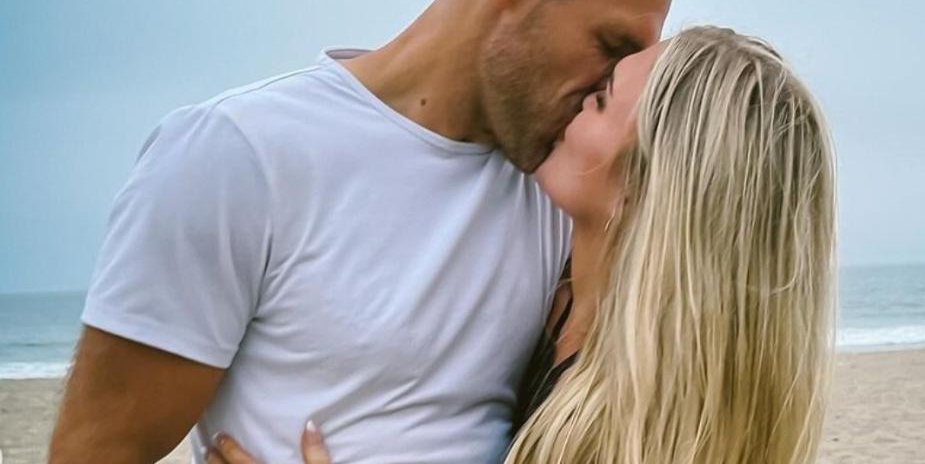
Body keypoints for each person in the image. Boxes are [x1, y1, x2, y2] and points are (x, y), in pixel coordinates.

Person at [48, 0, 696, 463]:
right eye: (609, 45)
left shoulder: (566, 192)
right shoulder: (241, 156)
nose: (607, 88)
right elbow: (95, 451)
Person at [207, 26, 839, 464]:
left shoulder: (638, 427)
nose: (567, 101)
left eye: (598, 99)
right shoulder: (556, 281)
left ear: (651, 186)